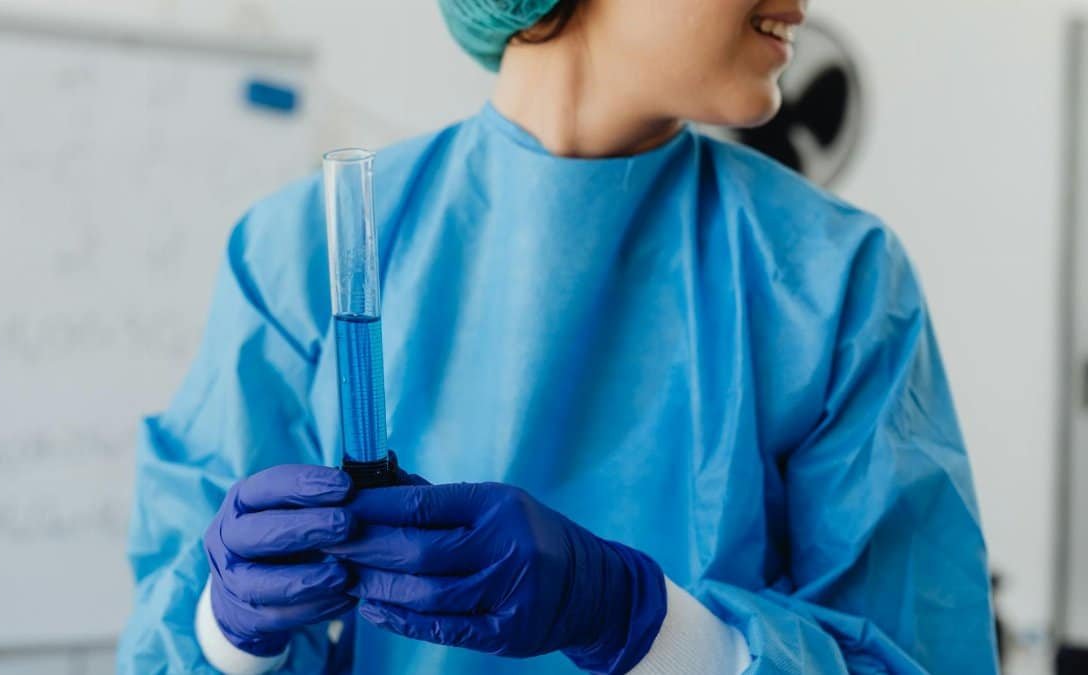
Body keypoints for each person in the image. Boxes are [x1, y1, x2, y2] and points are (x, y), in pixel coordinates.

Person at [117, 0, 999, 673]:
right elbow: (169, 640)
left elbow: (916, 654)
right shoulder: (305, 253)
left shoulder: (832, 280)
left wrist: (642, 619)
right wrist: (227, 630)